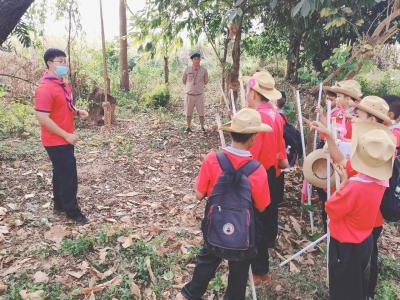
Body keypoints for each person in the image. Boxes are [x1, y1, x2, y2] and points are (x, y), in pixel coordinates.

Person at [176, 108, 271, 300]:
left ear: (231, 133)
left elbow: (199, 194)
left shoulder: (212, 159)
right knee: (238, 276)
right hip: (243, 237)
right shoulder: (258, 170)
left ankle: (187, 296)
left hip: (215, 228)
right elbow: (262, 207)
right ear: (253, 138)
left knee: (205, 265)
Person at [311, 95, 396, 300]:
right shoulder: (377, 150)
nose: (354, 119)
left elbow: (334, 205)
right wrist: (330, 137)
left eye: (359, 115)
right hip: (363, 227)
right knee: (359, 273)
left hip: (356, 229)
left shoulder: (376, 150)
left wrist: (346, 182)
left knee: (352, 278)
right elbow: (343, 161)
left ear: (373, 120)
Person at [34, 48, 89, 225]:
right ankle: (73, 211)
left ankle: (59, 203)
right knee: (68, 175)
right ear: (49, 63)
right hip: (56, 140)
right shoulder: (45, 88)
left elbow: (66, 105)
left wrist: (77, 111)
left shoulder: (62, 84)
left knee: (60, 171)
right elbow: (42, 118)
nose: (64, 65)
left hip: (66, 136)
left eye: (65, 61)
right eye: (60, 61)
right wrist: (66, 135)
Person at [245, 71, 288, 285]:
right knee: (266, 219)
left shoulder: (256, 117)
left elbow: (251, 153)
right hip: (272, 174)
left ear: (253, 93)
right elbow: (281, 150)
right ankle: (263, 270)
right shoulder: (276, 115)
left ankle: (258, 271)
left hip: (256, 175)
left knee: (255, 222)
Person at [182, 52, 208, 134]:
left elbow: (206, 81)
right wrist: (190, 87)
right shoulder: (187, 69)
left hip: (199, 95)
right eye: (195, 59)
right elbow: (183, 80)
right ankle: (188, 127)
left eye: (198, 59)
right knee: (188, 112)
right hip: (189, 95)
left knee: (201, 112)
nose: (196, 60)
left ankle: (202, 127)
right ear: (192, 60)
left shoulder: (204, 70)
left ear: (200, 60)